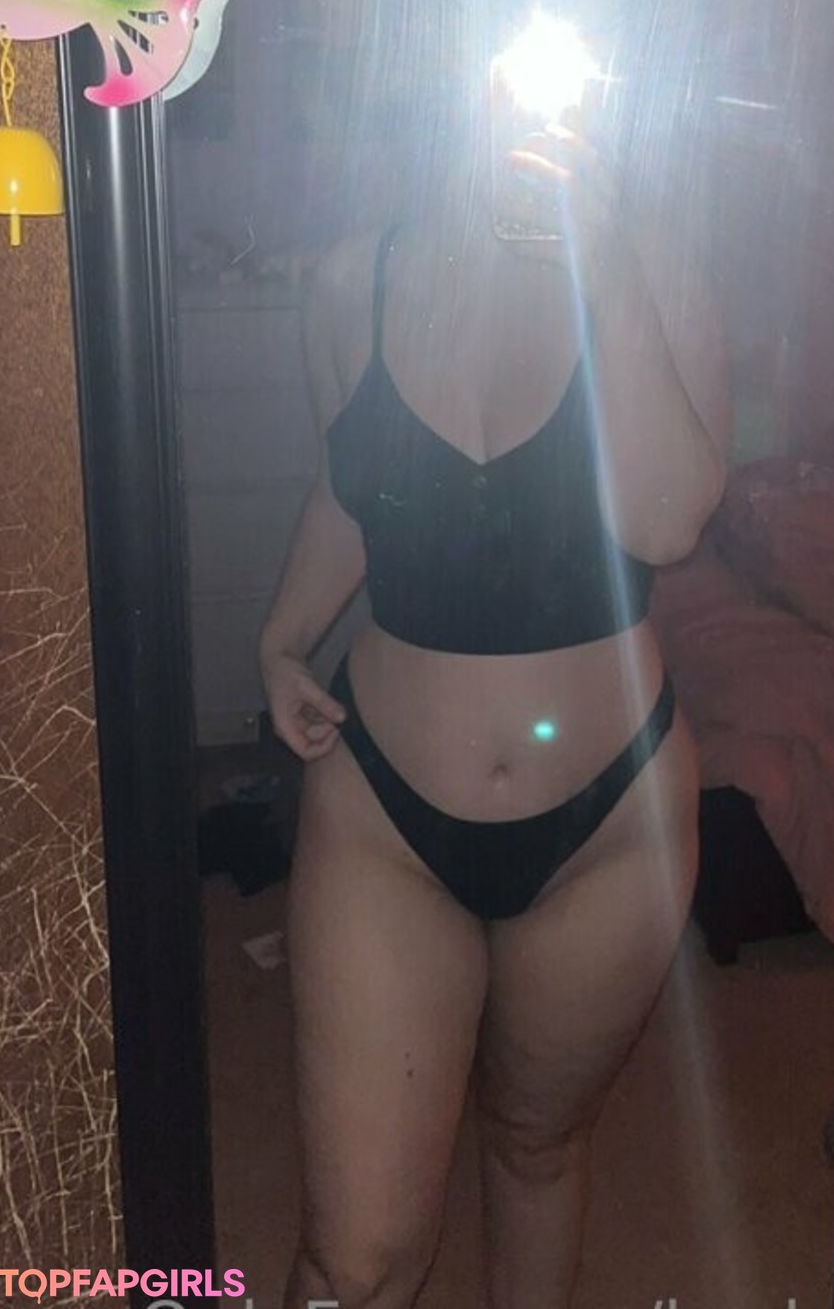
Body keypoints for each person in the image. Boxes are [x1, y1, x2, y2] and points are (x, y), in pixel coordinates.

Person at [260, 75, 728, 1309]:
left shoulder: (658, 269)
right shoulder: (348, 281)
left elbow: (669, 521)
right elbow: (354, 490)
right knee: (355, 1258)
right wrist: (282, 635)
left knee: (536, 1144)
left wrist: (606, 266)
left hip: (609, 822)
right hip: (384, 817)